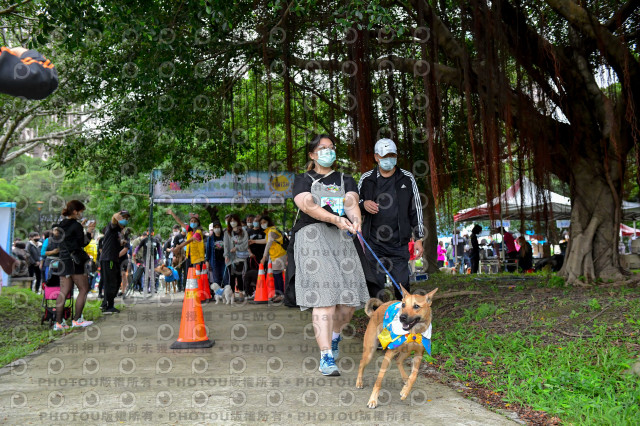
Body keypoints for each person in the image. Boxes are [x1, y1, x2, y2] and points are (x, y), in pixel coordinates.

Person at [292, 134, 369, 376]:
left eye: (331, 147)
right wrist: (335, 219)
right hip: (312, 237)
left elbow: (351, 202)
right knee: (324, 298)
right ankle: (326, 356)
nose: (328, 151)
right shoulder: (303, 179)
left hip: (342, 238)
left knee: (348, 302)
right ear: (312, 155)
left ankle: (335, 337)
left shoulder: (346, 179)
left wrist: (355, 220)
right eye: (322, 148)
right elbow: (307, 204)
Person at [358, 138, 424, 300]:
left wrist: (419, 238)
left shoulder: (407, 178)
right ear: (376, 157)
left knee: (402, 285)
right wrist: (363, 204)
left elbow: (416, 208)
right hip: (374, 243)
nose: (389, 159)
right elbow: (353, 203)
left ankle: (403, 314)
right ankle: (378, 314)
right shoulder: (366, 179)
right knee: (376, 287)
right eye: (384, 156)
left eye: (392, 155)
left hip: (398, 243)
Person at [53, 200, 95, 330]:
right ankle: (77, 319)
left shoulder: (61, 225)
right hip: (75, 262)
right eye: (81, 211)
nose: (81, 214)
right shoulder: (76, 226)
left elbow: (66, 240)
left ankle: (58, 323)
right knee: (84, 289)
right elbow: (82, 243)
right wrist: (89, 232)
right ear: (75, 211)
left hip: (63, 261)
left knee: (63, 292)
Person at [167, 210, 208, 298]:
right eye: (191, 221)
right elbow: (180, 222)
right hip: (189, 258)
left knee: (197, 276)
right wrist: (172, 214)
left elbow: (189, 241)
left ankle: (200, 295)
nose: (193, 223)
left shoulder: (198, 232)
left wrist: (179, 247)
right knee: (189, 276)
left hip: (197, 259)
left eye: (195, 221)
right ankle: (192, 294)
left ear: (198, 223)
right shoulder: (189, 231)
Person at [249, 215, 287, 301]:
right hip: (276, 255)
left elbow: (268, 243)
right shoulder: (270, 230)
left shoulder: (272, 231)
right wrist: (254, 241)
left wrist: (264, 257)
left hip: (279, 254)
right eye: (261, 223)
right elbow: (266, 240)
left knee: (277, 275)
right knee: (276, 275)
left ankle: (281, 295)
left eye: (264, 222)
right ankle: (278, 294)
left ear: (268, 222)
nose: (263, 224)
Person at [99, 211, 131, 314]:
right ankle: (108, 306)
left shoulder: (118, 231)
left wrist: (121, 243)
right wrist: (117, 216)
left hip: (113, 259)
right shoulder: (112, 227)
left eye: (127, 219)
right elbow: (113, 219)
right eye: (123, 218)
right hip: (108, 259)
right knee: (111, 282)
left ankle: (106, 304)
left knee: (116, 281)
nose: (125, 220)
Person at [224, 214, 249, 300]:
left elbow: (245, 244)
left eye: (234, 221)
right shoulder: (226, 232)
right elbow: (226, 245)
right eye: (231, 221)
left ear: (237, 221)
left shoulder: (243, 231)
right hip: (230, 257)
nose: (232, 222)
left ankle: (241, 292)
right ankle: (232, 293)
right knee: (231, 275)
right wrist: (226, 255)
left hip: (240, 256)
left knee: (239, 274)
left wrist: (237, 248)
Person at [205, 220, 226, 288]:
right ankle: (218, 293)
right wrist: (207, 260)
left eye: (218, 227)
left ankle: (226, 292)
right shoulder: (210, 239)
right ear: (213, 229)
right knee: (216, 279)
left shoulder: (224, 237)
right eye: (215, 227)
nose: (217, 229)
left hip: (224, 261)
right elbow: (208, 250)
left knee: (225, 278)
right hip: (214, 261)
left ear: (220, 228)